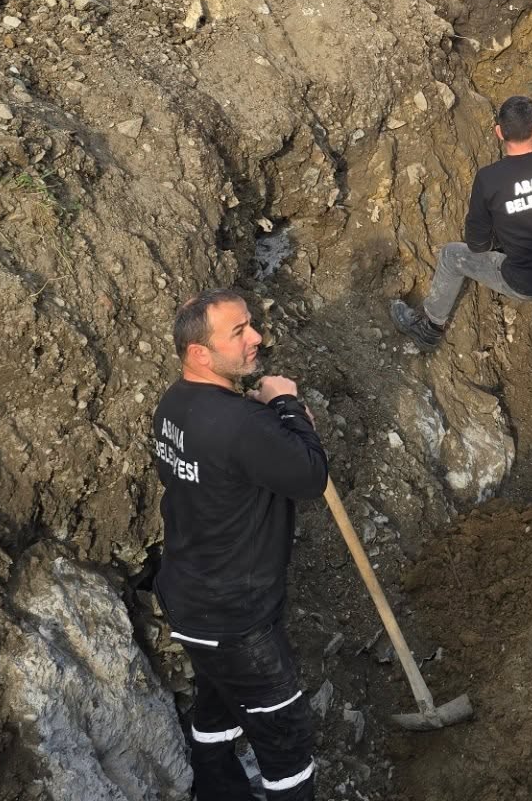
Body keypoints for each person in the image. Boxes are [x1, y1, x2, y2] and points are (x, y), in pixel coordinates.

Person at [152, 289, 328, 801]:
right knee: (287, 742)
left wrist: (267, 419)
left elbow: (231, 453)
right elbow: (309, 476)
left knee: (217, 705)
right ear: (199, 354)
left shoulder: (176, 403)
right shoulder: (240, 423)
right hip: (237, 621)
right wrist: (287, 406)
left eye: (251, 324)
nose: (256, 338)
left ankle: (217, 789)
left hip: (190, 599)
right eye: (239, 332)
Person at [391, 95, 532, 475]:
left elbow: (477, 246)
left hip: (523, 280)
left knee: (452, 256)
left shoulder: (489, 179)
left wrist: (510, 233)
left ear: (498, 133)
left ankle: (430, 329)